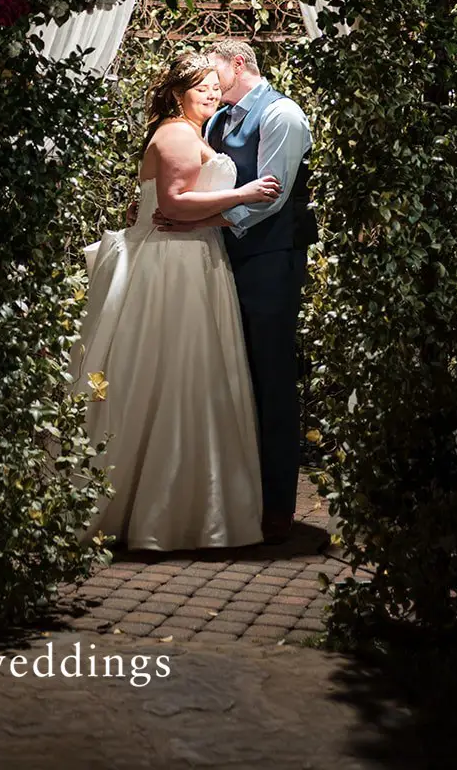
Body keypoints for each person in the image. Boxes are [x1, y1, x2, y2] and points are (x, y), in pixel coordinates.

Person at [72, 51, 281, 551]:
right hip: (172, 265)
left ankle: (188, 504)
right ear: (177, 91)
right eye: (201, 87)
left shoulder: (192, 133)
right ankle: (160, 508)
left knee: (191, 375)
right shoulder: (176, 134)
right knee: (172, 371)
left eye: (215, 86)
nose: (211, 94)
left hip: (193, 257)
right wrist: (243, 194)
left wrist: (220, 218)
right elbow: (172, 205)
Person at [153, 39, 315, 543]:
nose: (207, 79)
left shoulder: (281, 114)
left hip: (270, 262)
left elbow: (271, 194)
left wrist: (213, 221)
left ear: (237, 63)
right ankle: (235, 500)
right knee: (229, 380)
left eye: (213, 69)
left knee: (271, 379)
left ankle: (277, 508)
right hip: (221, 261)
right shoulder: (218, 120)